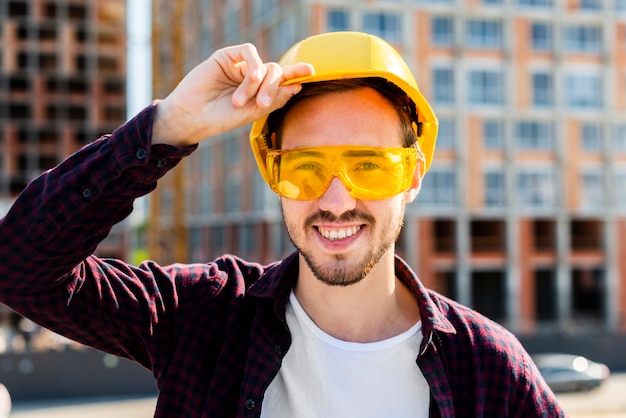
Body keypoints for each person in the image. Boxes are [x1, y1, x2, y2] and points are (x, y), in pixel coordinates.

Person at [0, 31, 565, 417]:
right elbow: (20, 267)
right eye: (306, 168)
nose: (335, 199)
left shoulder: (492, 373)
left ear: (412, 175)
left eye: (367, 166)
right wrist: (167, 126)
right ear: (273, 173)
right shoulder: (203, 318)